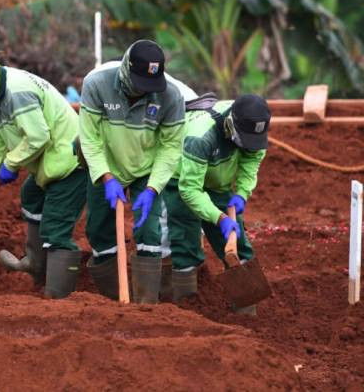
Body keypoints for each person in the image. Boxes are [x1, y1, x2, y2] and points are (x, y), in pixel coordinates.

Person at [0, 47, 86, 299]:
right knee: (31, 196)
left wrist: (12, 163)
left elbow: (38, 137)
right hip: (48, 164)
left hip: (72, 161)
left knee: (55, 227)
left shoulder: (17, 92)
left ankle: (58, 294)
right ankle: (36, 265)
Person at [78, 40, 185, 303]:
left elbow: (171, 148)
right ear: (126, 70)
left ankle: (147, 305)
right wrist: (106, 177)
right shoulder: (96, 84)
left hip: (145, 170)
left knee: (149, 231)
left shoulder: (171, 96)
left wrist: (152, 188)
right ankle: (112, 300)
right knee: (99, 231)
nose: (144, 91)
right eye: (139, 83)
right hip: (104, 162)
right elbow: (88, 139)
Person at [161, 95, 270, 314]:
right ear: (231, 125)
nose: (251, 146)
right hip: (183, 177)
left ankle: (247, 313)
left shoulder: (254, 130)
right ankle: (188, 309)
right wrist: (219, 217)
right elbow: (190, 190)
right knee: (185, 241)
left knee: (237, 244)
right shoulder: (200, 136)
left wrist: (241, 194)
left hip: (217, 183)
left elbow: (251, 161)